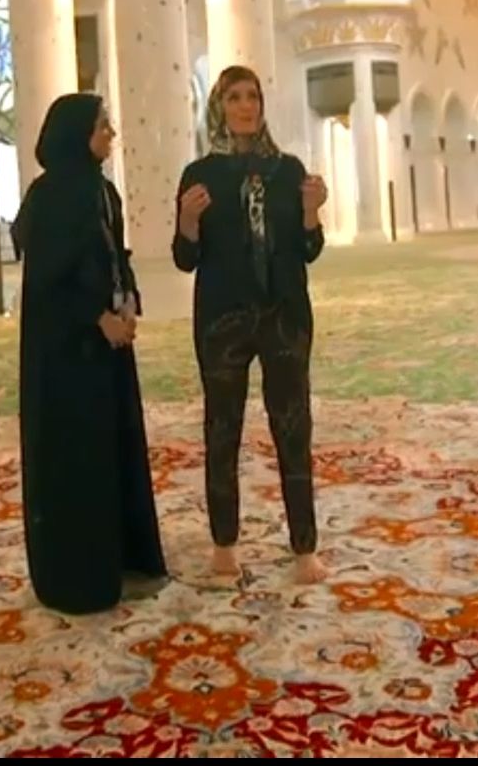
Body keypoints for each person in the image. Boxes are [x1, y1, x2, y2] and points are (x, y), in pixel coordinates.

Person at [172, 66, 330, 585]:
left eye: (253, 96)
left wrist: (310, 212)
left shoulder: (288, 171)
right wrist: (187, 221)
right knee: (223, 430)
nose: (246, 106)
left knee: (293, 428)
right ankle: (224, 545)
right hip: (223, 321)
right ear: (219, 107)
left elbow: (309, 249)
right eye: (235, 97)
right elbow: (185, 259)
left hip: (285, 318)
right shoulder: (200, 175)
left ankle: (304, 548)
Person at [13, 92, 168, 614]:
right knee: (76, 457)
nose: (110, 134)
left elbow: (115, 255)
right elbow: (47, 281)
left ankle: (124, 558)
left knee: (113, 446)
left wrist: (128, 305)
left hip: (108, 348)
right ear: (77, 133)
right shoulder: (50, 196)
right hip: (65, 354)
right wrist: (97, 318)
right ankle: (77, 576)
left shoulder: (103, 192)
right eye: (103, 126)